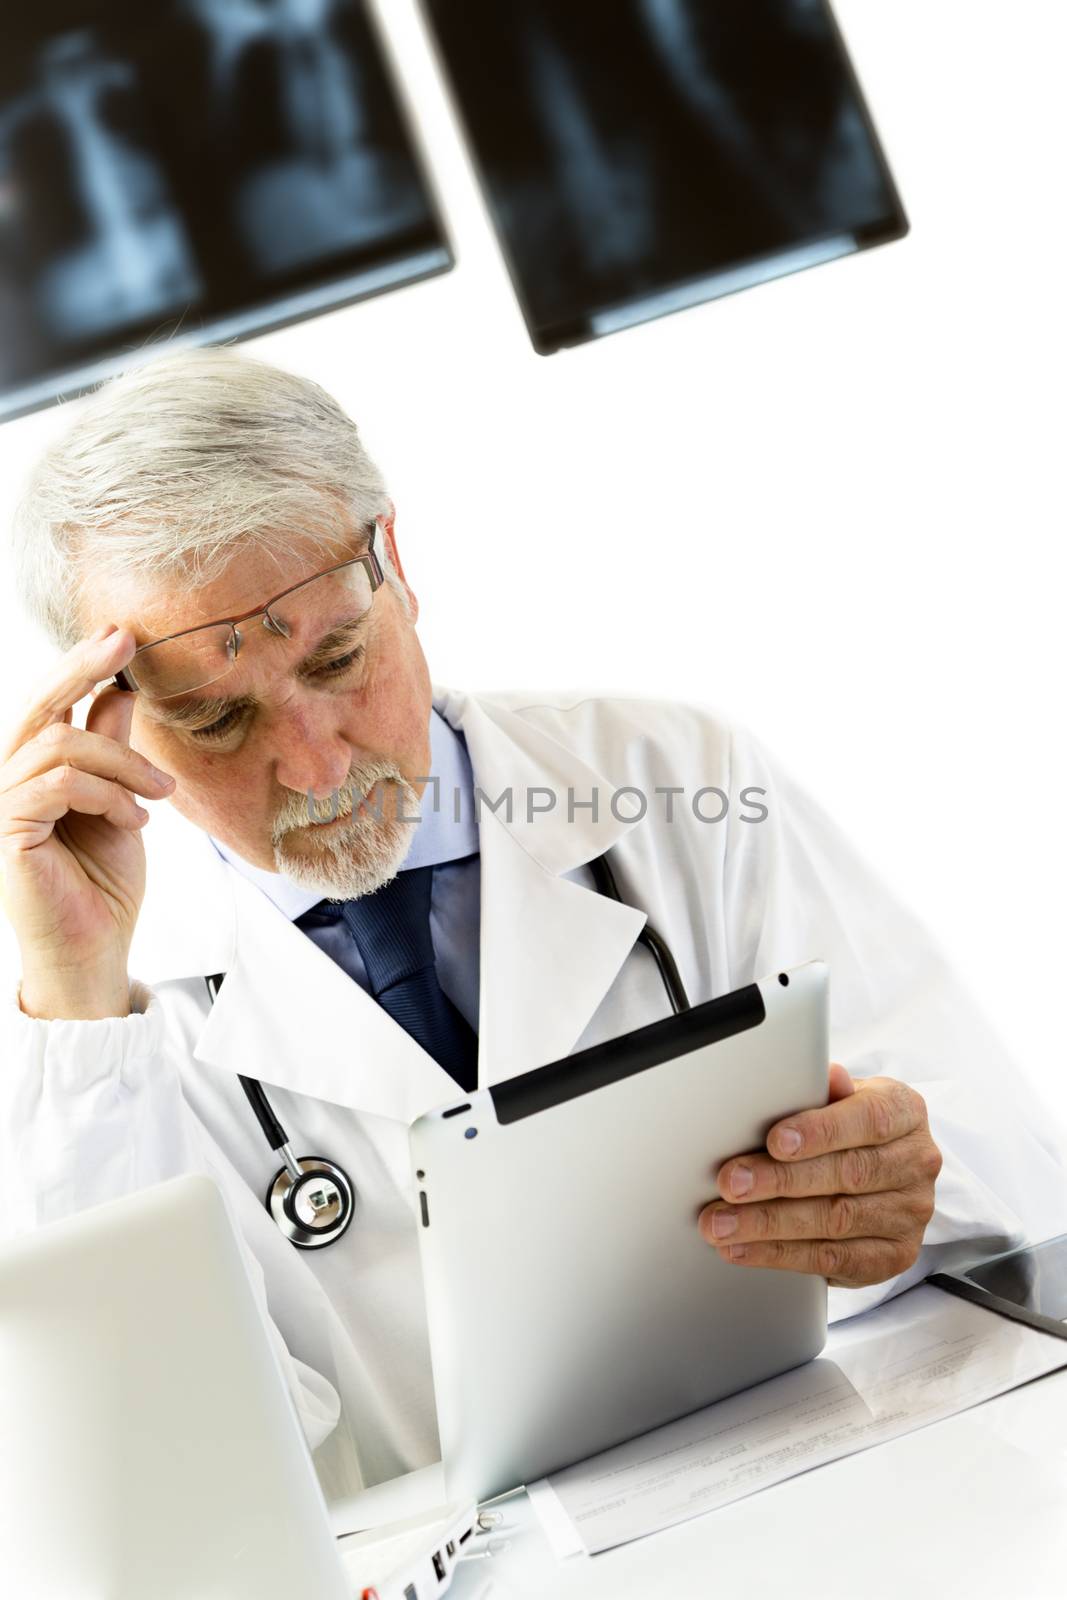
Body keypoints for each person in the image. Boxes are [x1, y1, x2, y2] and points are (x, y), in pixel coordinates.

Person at [1, 347, 1063, 1506]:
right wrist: (76, 999)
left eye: (341, 659)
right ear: (105, 717)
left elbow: (1004, 1161)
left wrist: (903, 1189)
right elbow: (153, 1481)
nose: (313, 760)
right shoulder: (103, 1003)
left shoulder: (673, 780)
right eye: (213, 719)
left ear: (394, 565)